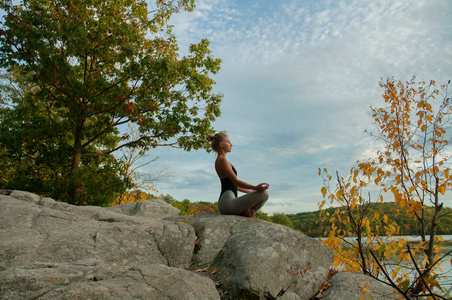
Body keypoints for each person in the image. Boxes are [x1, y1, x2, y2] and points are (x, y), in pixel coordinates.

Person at [206, 132, 269, 217]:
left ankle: (245, 212)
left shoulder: (222, 160)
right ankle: (244, 213)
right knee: (264, 194)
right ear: (221, 144)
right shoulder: (222, 160)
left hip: (228, 202)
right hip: (227, 204)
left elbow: (234, 186)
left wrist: (252, 192)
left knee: (261, 194)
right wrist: (255, 187)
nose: (231, 145)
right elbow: (236, 182)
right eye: (228, 142)